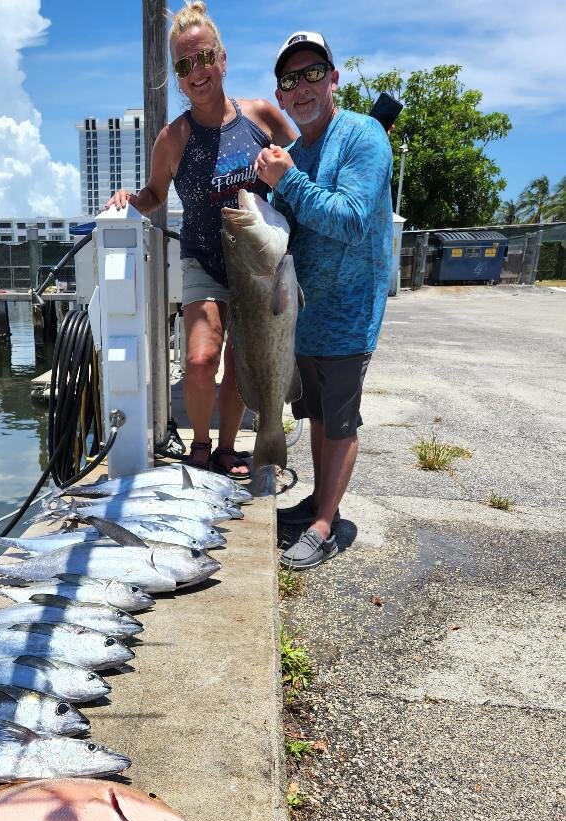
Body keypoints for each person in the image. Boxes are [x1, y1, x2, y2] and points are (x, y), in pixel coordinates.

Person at [105, 1, 295, 479]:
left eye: (205, 57)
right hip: (203, 261)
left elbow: (303, 156)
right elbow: (154, 195)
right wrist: (129, 198)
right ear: (176, 76)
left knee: (240, 360)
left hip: (257, 263)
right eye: (184, 65)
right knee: (200, 358)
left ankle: (228, 449)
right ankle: (201, 445)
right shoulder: (173, 138)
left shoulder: (260, 116)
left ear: (222, 59)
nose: (197, 71)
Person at [254, 31, 393, 569]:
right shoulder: (289, 155)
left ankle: (324, 526)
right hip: (301, 317)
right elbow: (282, 228)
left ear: (333, 79)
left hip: (349, 313)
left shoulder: (363, 136)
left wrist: (288, 182)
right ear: (281, 95)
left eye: (313, 73)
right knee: (314, 414)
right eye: (291, 79)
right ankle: (318, 501)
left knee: (339, 422)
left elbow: (352, 221)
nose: (303, 87)